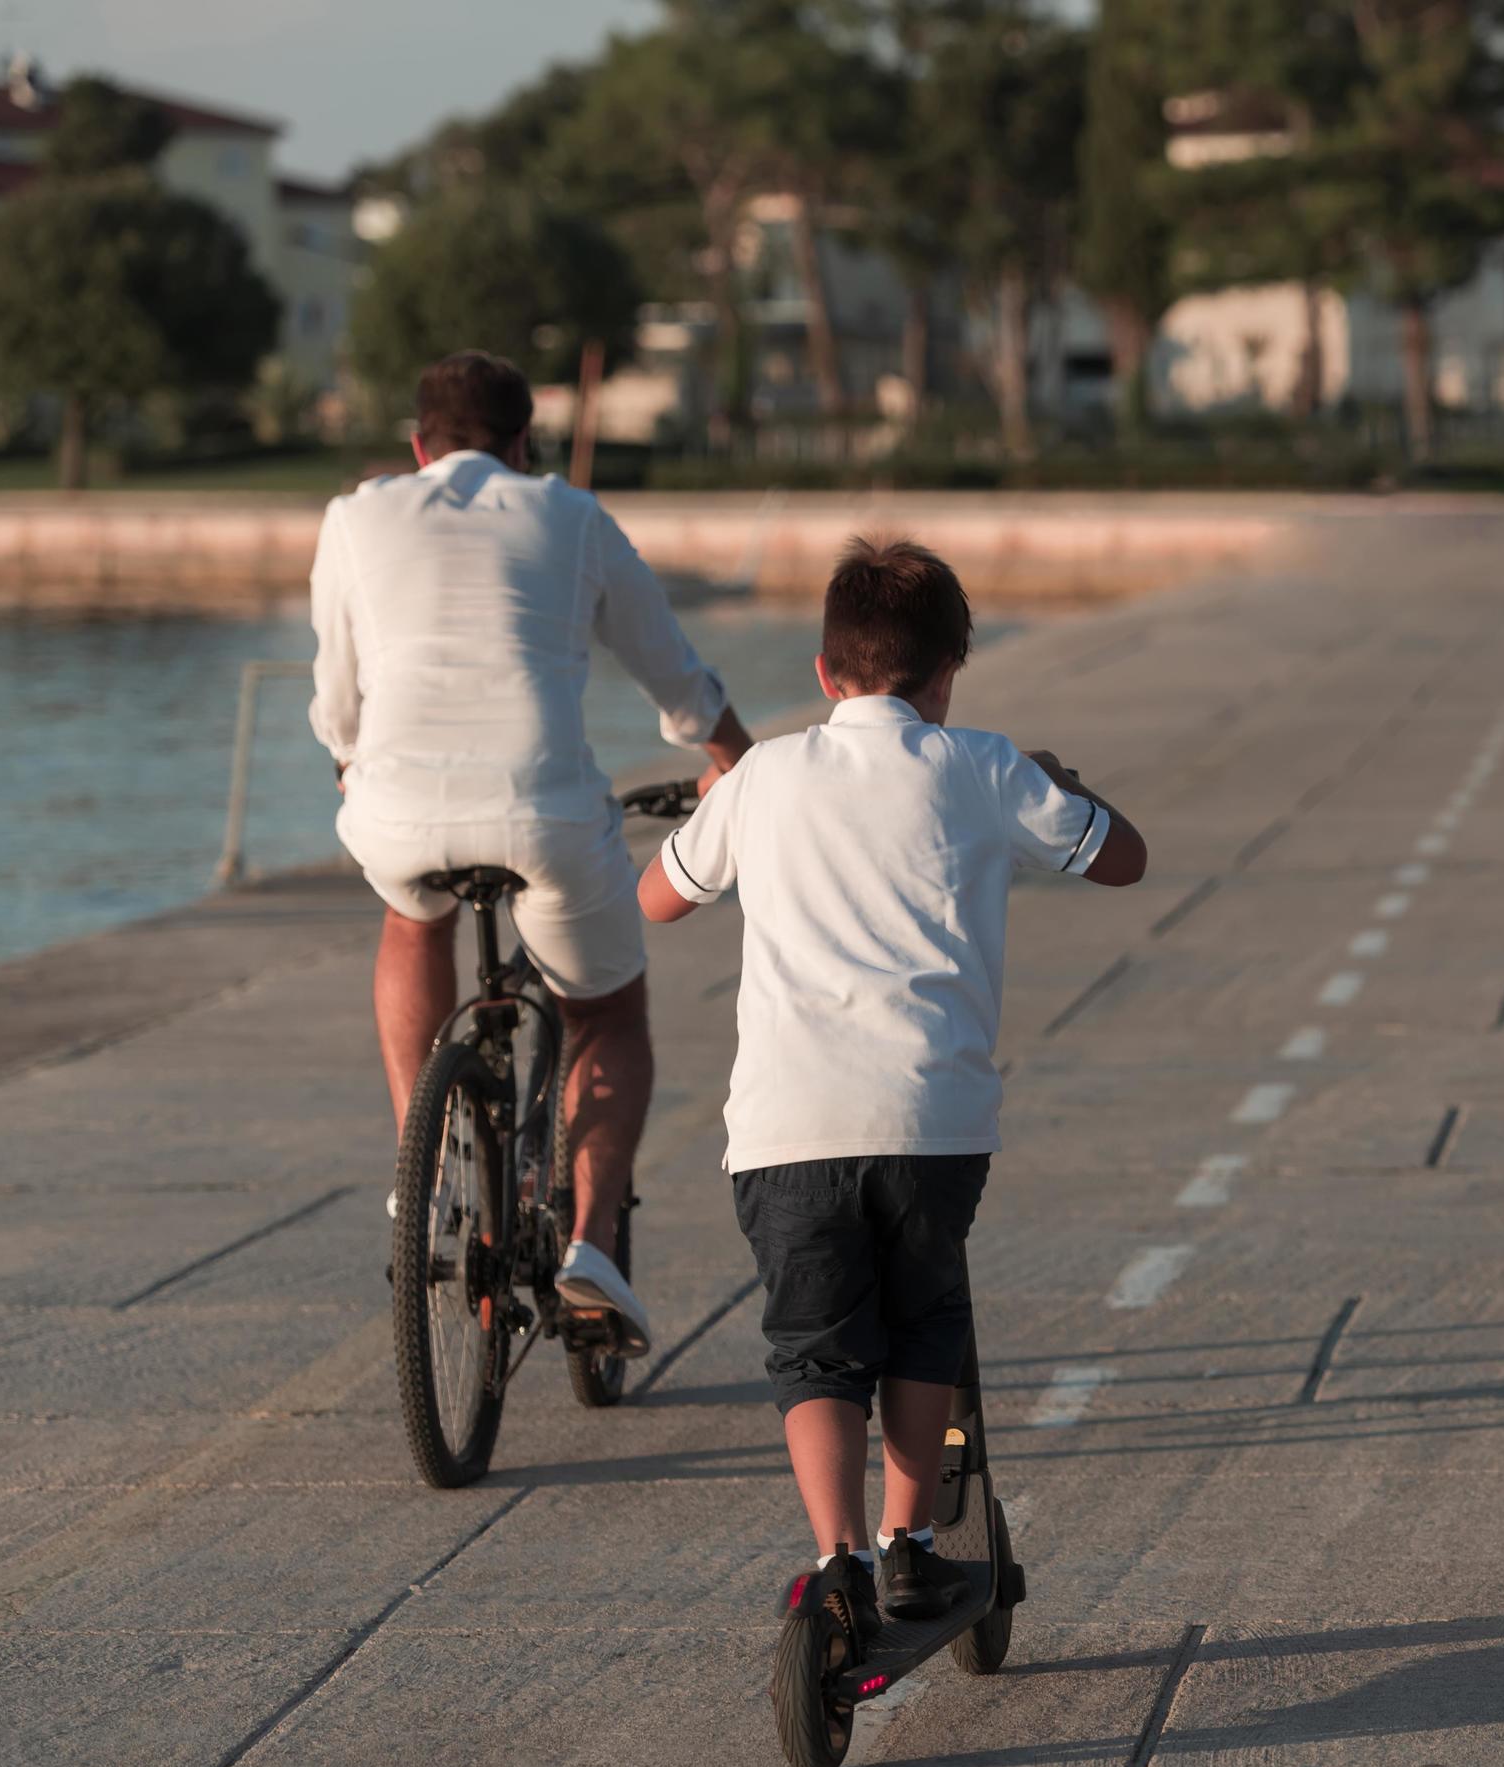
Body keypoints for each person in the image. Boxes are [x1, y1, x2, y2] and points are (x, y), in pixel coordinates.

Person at [640, 537, 1147, 1628]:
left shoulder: (766, 772)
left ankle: (835, 1566)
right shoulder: (985, 764)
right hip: (933, 1121)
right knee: (924, 1322)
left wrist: (722, 800)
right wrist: (1064, 786)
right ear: (948, 670)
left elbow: (658, 899)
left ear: (826, 673)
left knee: (814, 1346)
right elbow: (1124, 858)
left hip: (786, 1128)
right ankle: (909, 1540)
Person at [310, 350, 754, 1357]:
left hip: (396, 811)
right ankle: (591, 1250)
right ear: (523, 445)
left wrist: (349, 759)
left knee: (410, 911)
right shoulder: (572, 516)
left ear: (417, 448)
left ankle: (419, 1170)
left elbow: (338, 692)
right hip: (542, 813)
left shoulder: (356, 516)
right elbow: (676, 679)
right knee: (606, 1010)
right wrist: (738, 760)